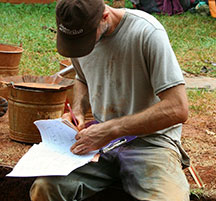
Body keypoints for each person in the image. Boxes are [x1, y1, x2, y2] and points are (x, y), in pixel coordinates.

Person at [29, 0, 190, 200]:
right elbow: (82, 78)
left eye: (87, 40)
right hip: (98, 144)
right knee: (44, 187)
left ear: (105, 16)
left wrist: (111, 129)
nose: (83, 48)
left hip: (150, 141)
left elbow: (178, 109)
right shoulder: (81, 34)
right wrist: (78, 109)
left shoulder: (147, 32)